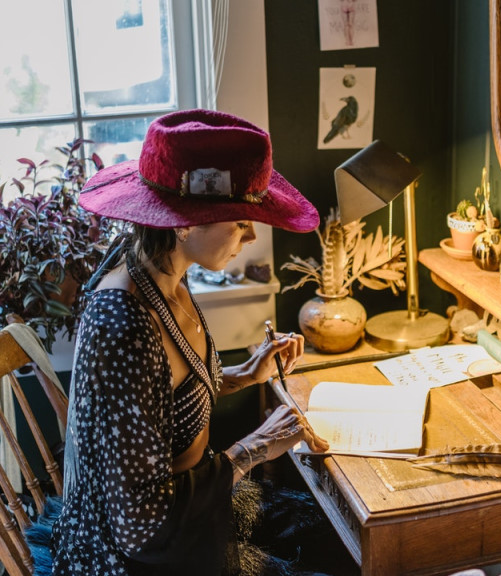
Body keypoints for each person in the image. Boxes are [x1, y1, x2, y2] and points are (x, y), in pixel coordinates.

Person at [51, 109, 330, 575]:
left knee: (325, 529)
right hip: (151, 552)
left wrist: (243, 374)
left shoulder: (158, 267)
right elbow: (139, 525)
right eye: (240, 220)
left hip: (192, 506)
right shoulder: (124, 325)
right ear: (185, 220)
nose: (252, 235)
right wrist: (254, 446)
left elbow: (159, 398)